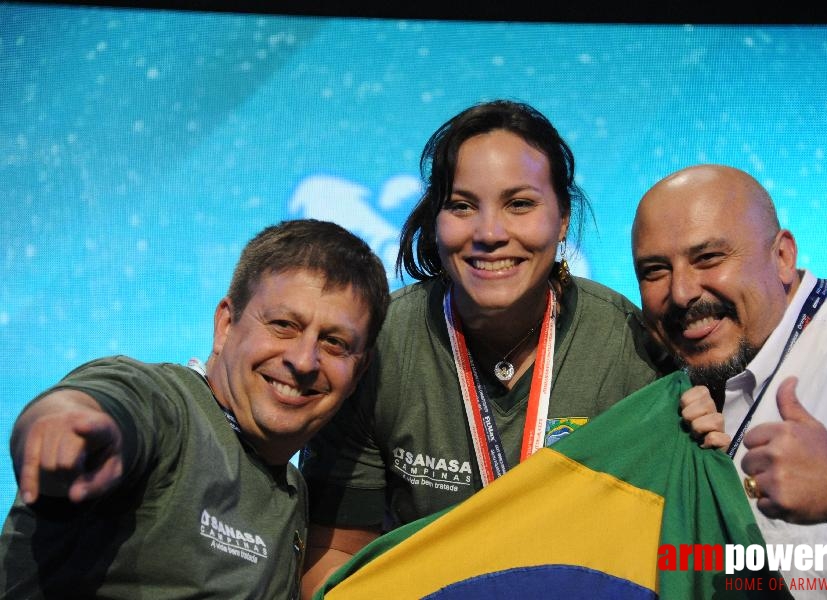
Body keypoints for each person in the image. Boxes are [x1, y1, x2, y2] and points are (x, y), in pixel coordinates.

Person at [299, 100, 697, 597]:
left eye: (520, 204)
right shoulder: (383, 344)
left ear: (563, 218)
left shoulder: (628, 347)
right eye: (462, 205)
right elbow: (336, 555)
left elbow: (675, 548)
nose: (489, 233)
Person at [0, 219, 390, 599]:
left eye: (334, 343)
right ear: (225, 324)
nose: (304, 360)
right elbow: (106, 401)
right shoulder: (171, 408)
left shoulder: (292, 490)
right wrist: (61, 425)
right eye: (284, 324)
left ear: (359, 373)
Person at [631, 164, 827, 596]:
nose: (681, 292)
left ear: (782, 257)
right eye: (655, 270)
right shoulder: (669, 394)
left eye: (708, 258)